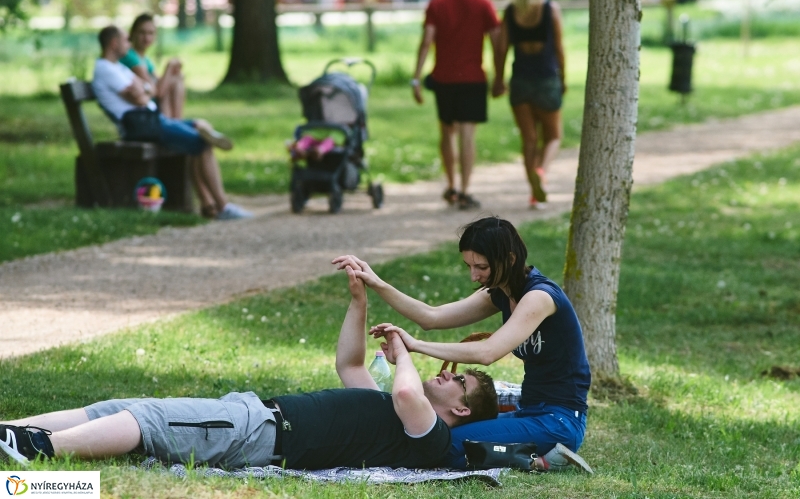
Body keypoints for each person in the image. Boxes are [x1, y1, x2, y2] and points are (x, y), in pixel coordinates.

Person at [0, 266, 498, 469]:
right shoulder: (388, 409)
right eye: (456, 371)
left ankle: (36, 450)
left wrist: (409, 350)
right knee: (121, 408)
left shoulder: (428, 436)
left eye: (461, 381)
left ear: (459, 411)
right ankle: (14, 431)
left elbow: (410, 394)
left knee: (148, 420)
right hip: (252, 414)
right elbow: (348, 363)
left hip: (262, 434)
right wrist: (357, 303)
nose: (450, 373)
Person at [332, 217, 592, 471]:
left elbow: (487, 352)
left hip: (559, 421)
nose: (473, 275)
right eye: (469, 266)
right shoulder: (501, 292)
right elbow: (431, 317)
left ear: (510, 259)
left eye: (481, 267)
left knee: (441, 444)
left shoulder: (540, 297)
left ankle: (535, 462)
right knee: (436, 429)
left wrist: (416, 346)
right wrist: (375, 282)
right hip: (529, 413)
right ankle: (534, 457)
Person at [92, 25, 251, 220]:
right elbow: (140, 98)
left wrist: (143, 90)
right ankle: (222, 206)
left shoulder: (117, 67)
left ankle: (209, 205)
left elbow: (147, 89)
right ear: (114, 43)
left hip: (151, 119)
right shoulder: (105, 69)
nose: (129, 43)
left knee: (200, 126)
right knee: (202, 142)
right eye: (126, 39)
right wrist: (144, 91)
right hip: (141, 125)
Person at [411, 0, 502, 211]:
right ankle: (465, 189)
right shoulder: (484, 4)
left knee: (447, 132)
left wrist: (416, 78)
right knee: (467, 134)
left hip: (444, 78)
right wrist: (500, 76)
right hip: (473, 78)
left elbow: (427, 40)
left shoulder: (437, 4)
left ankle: (450, 185)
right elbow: (496, 42)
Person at [492, 0, 566, 210]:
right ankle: (541, 173)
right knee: (554, 136)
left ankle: (534, 195)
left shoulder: (512, 11)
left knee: (529, 140)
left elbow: (501, 48)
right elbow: (559, 48)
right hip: (546, 79)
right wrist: (563, 79)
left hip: (520, 81)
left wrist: (499, 79)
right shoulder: (549, 9)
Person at [120, 13, 185, 119]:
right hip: (141, 107)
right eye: (142, 33)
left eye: (151, 33)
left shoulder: (145, 59)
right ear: (133, 33)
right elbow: (158, 92)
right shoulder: (130, 57)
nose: (146, 38)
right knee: (175, 81)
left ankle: (177, 124)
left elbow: (159, 83)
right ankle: (176, 124)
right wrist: (169, 67)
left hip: (151, 104)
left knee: (178, 77)